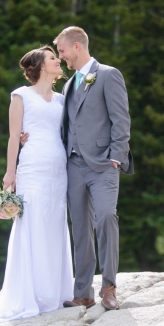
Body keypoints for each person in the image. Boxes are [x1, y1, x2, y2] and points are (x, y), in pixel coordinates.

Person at [0, 45, 74, 326]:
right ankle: (29, 295)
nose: (59, 61)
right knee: (32, 224)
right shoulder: (21, 96)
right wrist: (10, 173)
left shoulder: (60, 100)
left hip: (58, 168)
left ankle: (55, 293)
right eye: (53, 58)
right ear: (41, 66)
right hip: (32, 167)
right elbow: (12, 137)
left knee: (55, 223)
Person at [23, 27, 132, 311]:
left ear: (76, 46)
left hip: (103, 165)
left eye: (61, 51)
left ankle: (109, 286)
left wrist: (116, 157)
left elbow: (121, 119)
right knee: (81, 228)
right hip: (72, 166)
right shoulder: (69, 85)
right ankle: (83, 292)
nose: (60, 57)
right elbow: (56, 123)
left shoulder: (108, 75)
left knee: (106, 217)